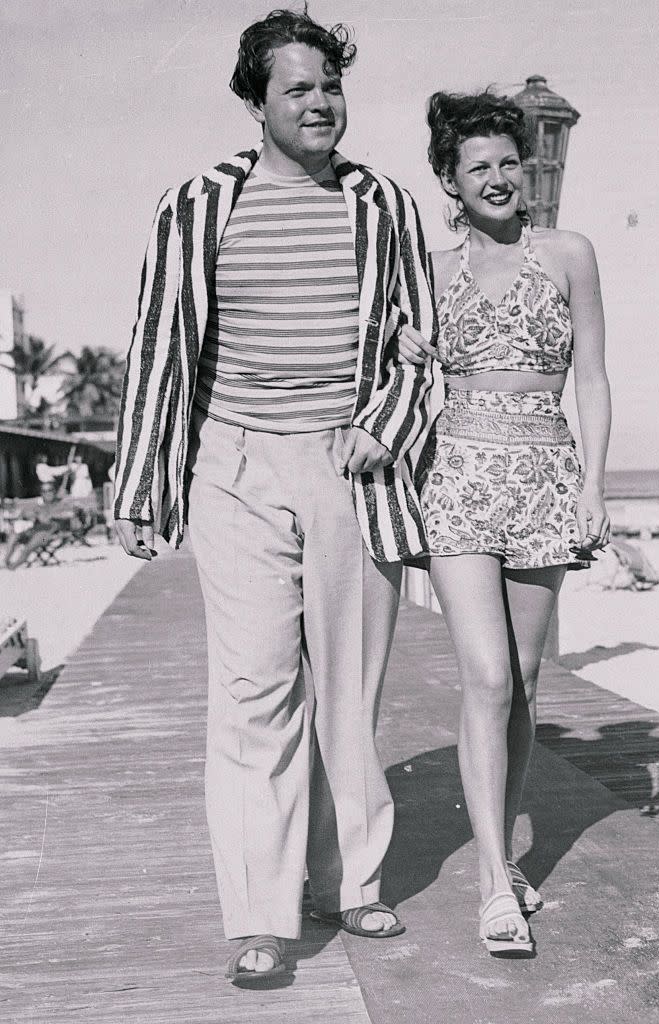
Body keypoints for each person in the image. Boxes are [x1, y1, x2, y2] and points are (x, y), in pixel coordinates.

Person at [113, 9, 443, 987]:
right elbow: (160, 348)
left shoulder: (382, 203)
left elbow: (420, 347)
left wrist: (381, 424)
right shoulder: (198, 205)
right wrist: (142, 486)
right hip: (237, 465)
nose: (320, 104)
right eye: (298, 88)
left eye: (330, 87)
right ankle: (261, 913)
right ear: (254, 100)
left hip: (351, 467)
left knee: (348, 690)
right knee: (257, 689)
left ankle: (346, 880)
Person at [398, 90, 611, 956]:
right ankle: (493, 882)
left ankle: (503, 861)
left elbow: (590, 377)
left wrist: (593, 486)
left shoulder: (568, 254)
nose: (496, 178)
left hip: (546, 472)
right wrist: (404, 347)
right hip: (455, 472)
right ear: (450, 180)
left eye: (507, 164)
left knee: (522, 679)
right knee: (485, 677)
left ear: (526, 173)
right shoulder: (429, 266)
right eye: (476, 166)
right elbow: (384, 360)